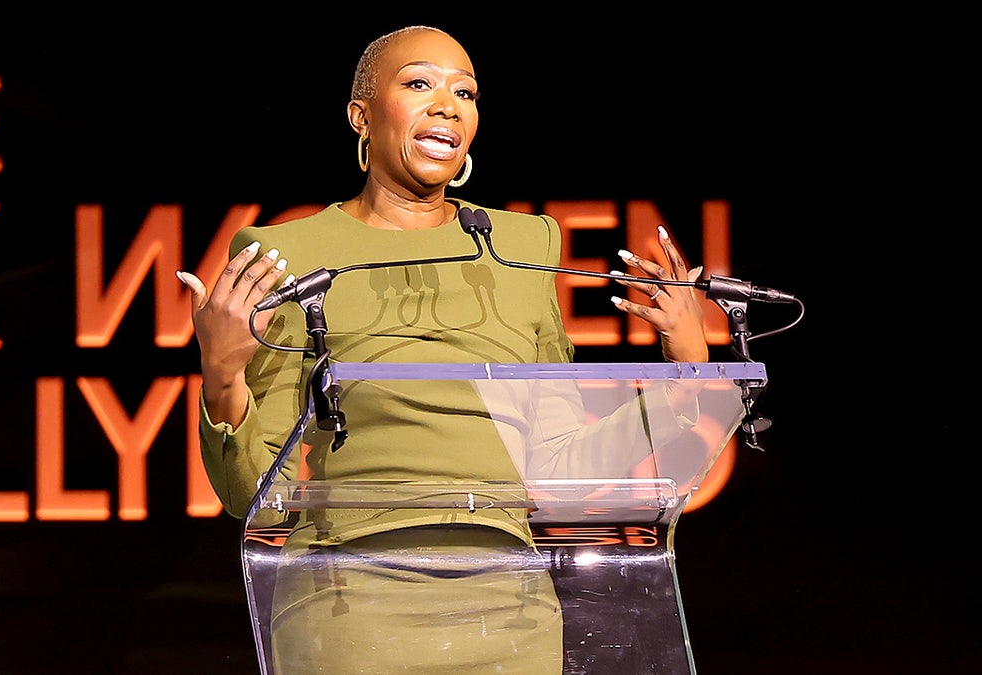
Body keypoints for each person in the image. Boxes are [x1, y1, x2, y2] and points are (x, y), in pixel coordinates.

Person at [176, 25, 709, 674]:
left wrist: (689, 372)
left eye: (466, 92)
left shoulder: (520, 249)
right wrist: (223, 376)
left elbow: (562, 464)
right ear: (360, 116)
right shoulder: (287, 255)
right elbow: (258, 490)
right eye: (420, 84)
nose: (449, 106)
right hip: (350, 603)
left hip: (510, 610)